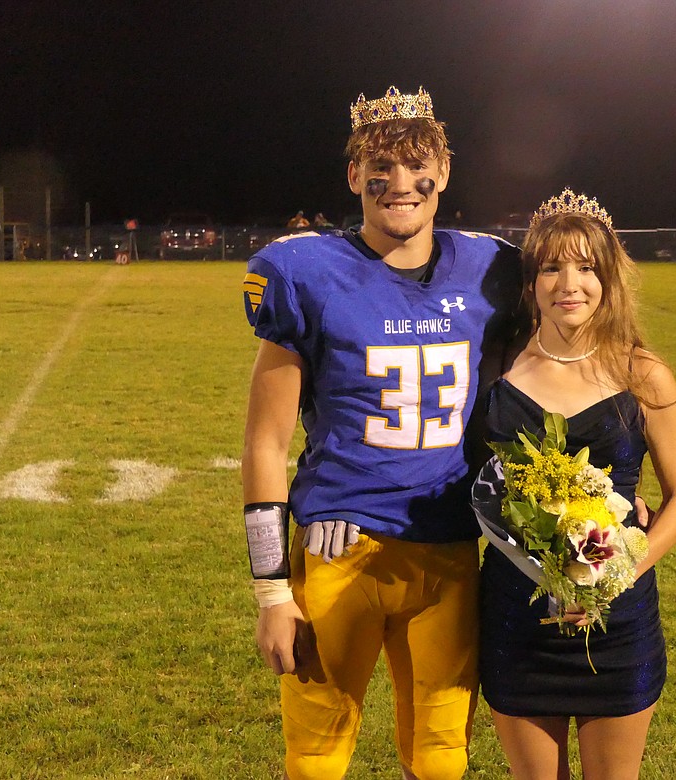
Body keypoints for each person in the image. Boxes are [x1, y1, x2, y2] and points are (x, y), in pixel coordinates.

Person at [241, 84, 522, 779]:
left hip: (449, 549)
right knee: (316, 756)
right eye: (382, 167)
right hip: (343, 548)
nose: (400, 184)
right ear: (353, 176)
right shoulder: (304, 273)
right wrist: (273, 591)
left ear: (444, 173)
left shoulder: (490, 267)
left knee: (441, 755)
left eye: (416, 165)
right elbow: (265, 444)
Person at [477, 189, 676, 780]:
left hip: (619, 614)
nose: (568, 283)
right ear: (530, 281)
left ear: (609, 280)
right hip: (515, 616)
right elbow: (470, 478)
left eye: (586, 268)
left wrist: (617, 575)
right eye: (551, 267)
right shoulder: (495, 365)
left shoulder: (643, 373)